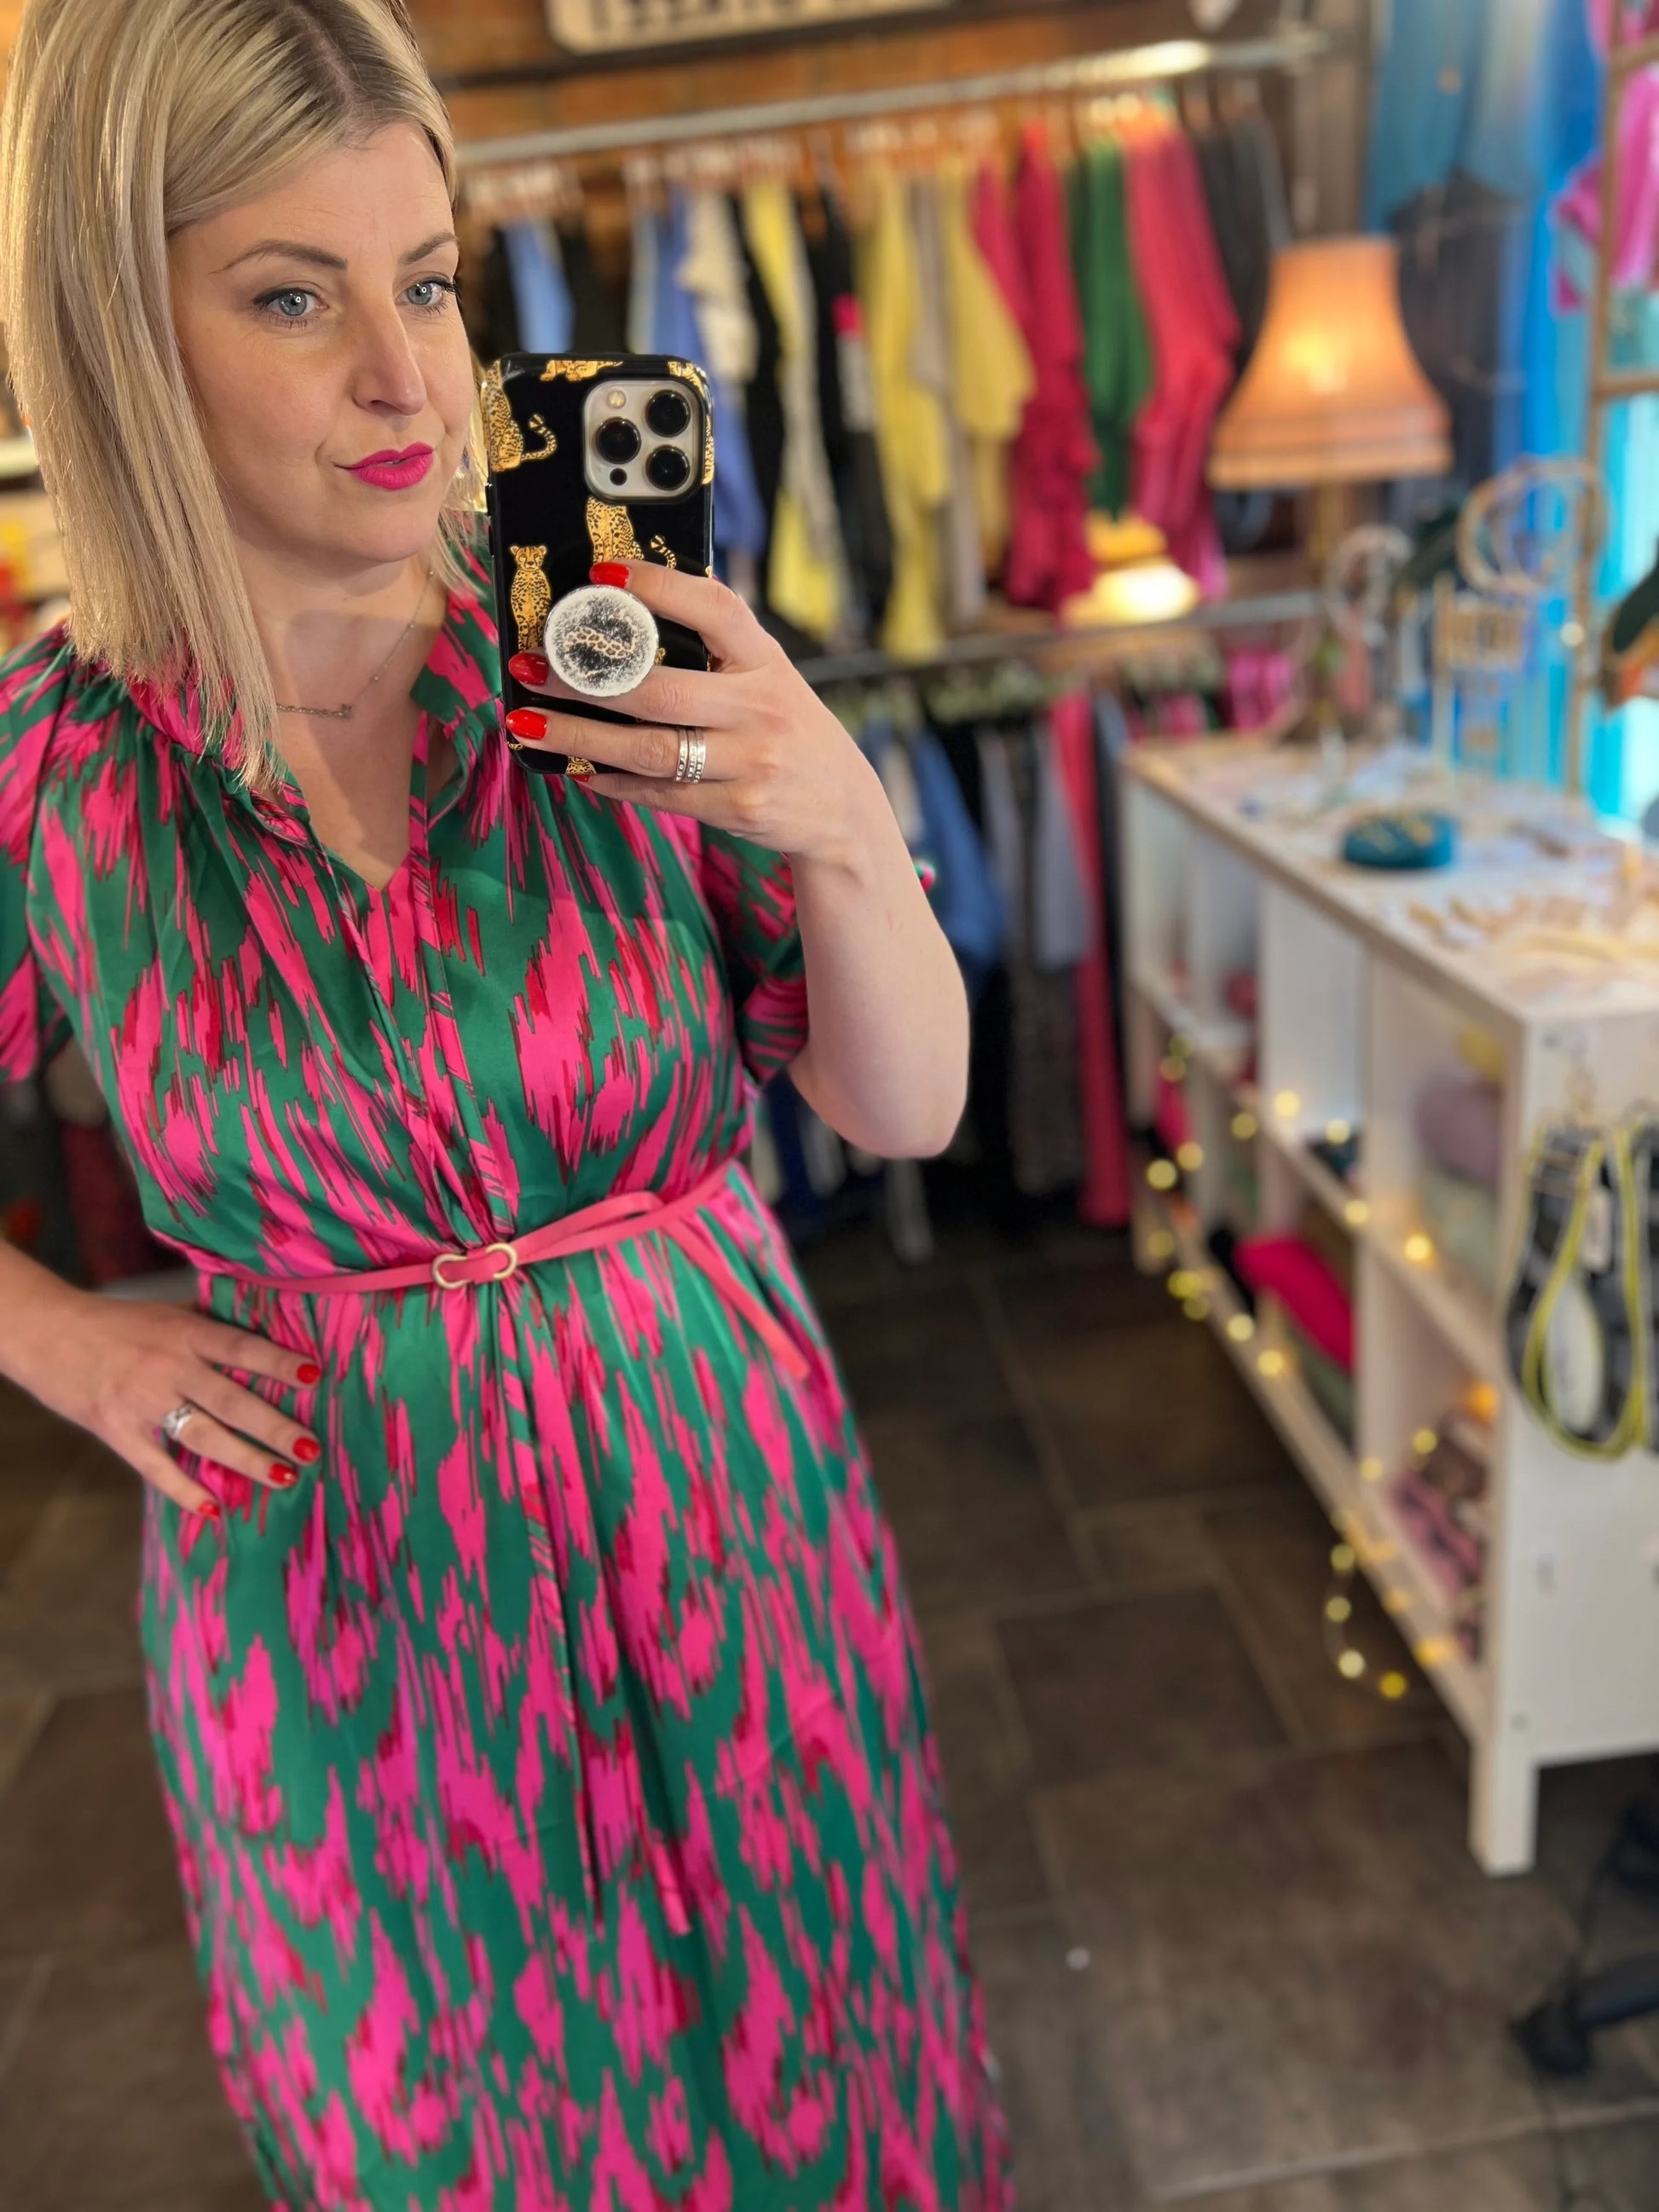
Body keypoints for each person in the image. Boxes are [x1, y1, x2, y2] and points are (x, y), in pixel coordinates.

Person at [0, 2, 1012, 2205]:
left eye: (432, 281)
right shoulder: (59, 767)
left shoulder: (600, 647)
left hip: (724, 1517)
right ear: (120, 334)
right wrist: (67, 1341)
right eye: (296, 299)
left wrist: (846, 828)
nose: (412, 378)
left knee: (813, 2074)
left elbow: (906, 1106)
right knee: (455, 2126)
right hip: (345, 1597)